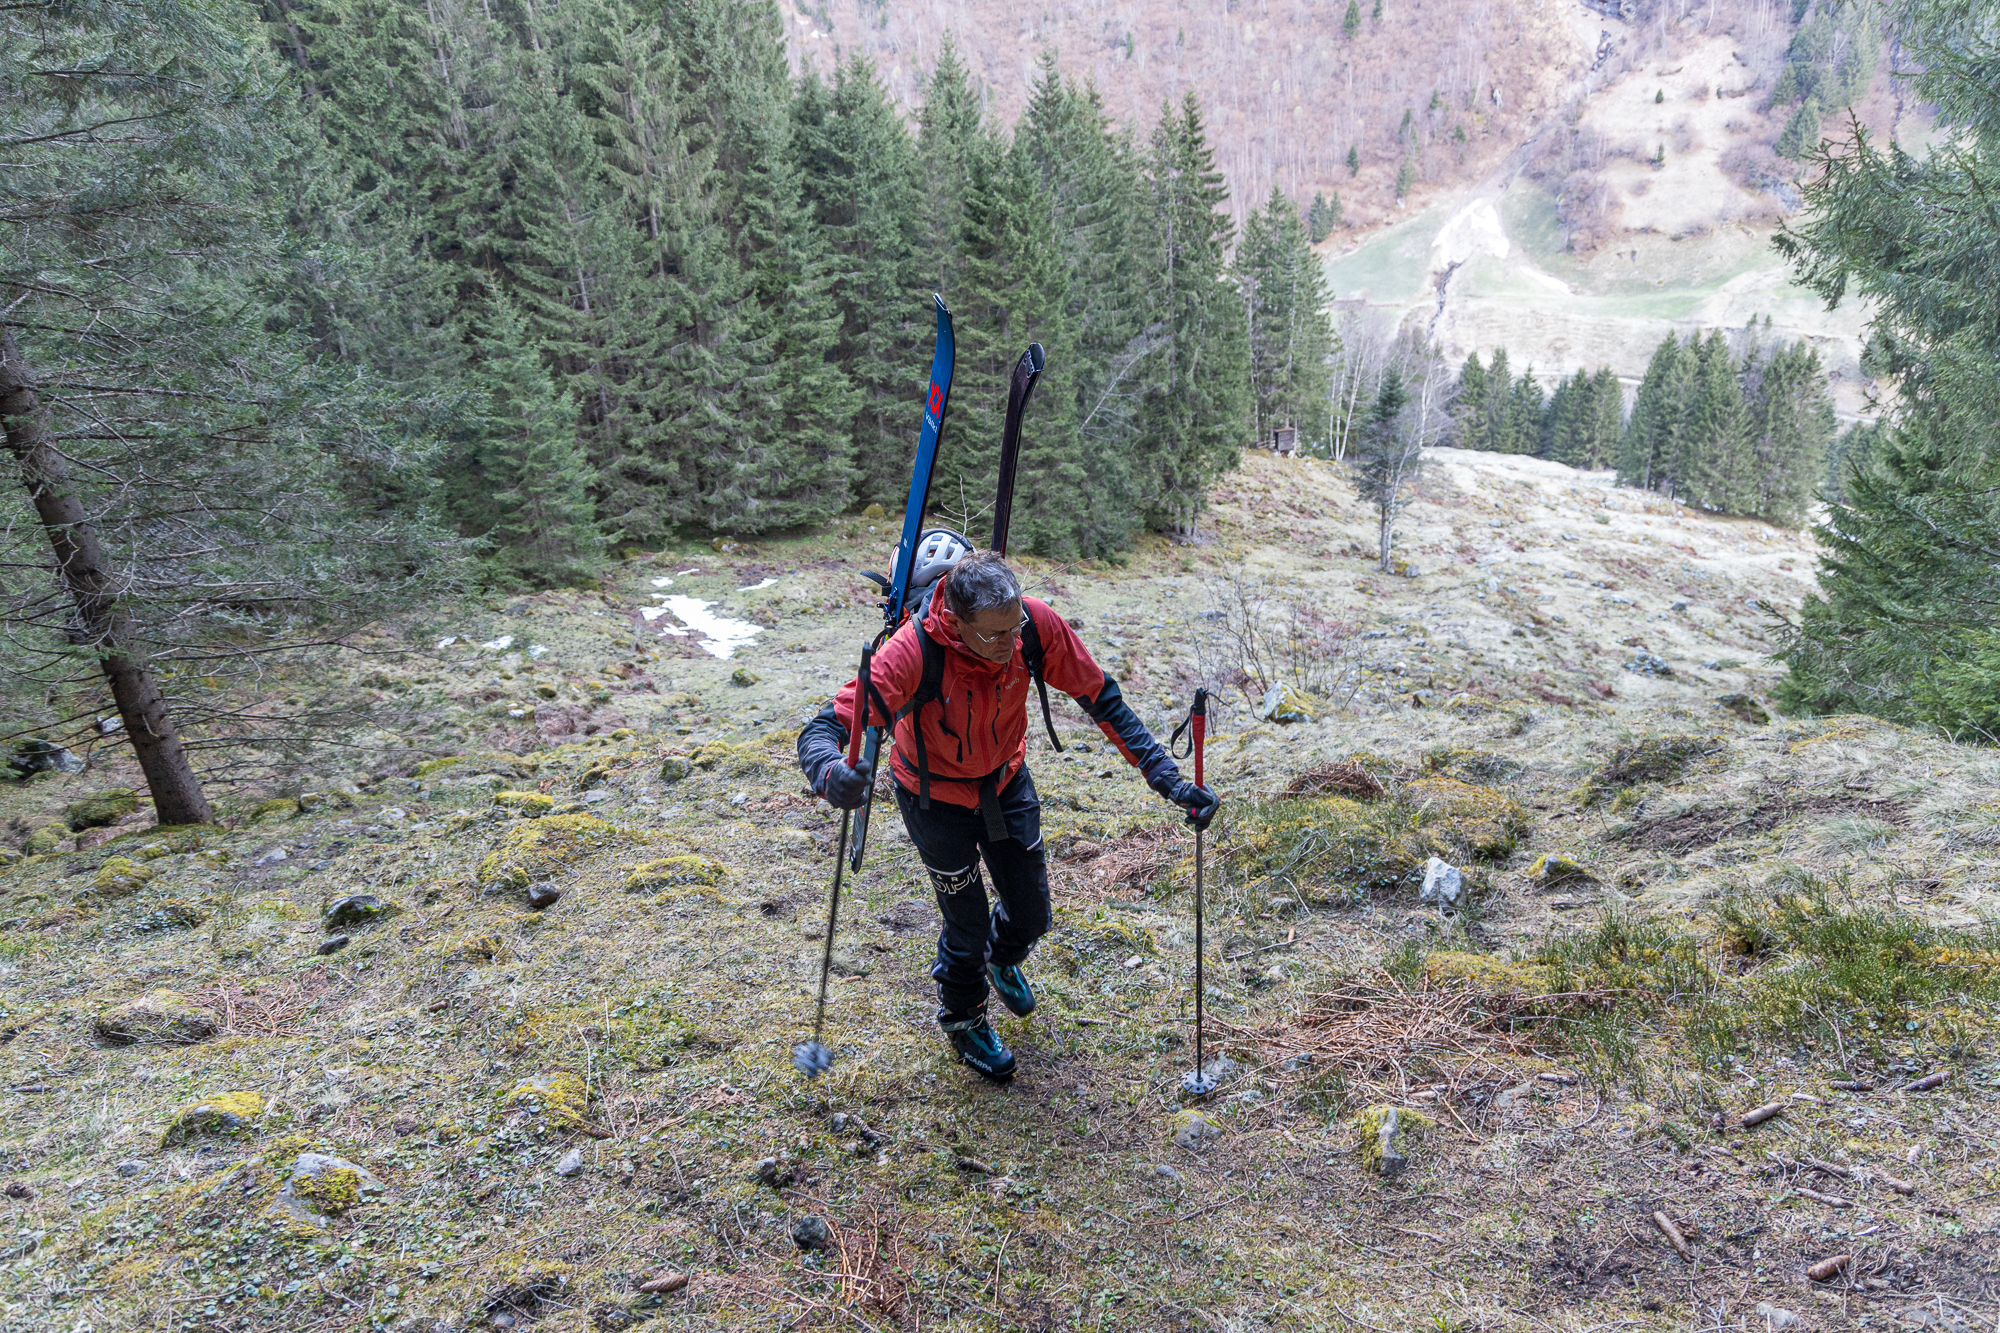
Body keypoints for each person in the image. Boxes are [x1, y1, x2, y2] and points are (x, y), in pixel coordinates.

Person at [797, 544, 1218, 1081]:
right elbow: (824, 729)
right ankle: (963, 1017)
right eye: (995, 635)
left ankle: (1002, 958)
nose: (1010, 644)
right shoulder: (913, 651)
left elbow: (1102, 699)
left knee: (1032, 912)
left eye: (1014, 628)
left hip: (1005, 781)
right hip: (933, 798)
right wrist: (833, 774)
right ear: (955, 618)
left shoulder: (1034, 625)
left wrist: (1170, 780)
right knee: (966, 924)